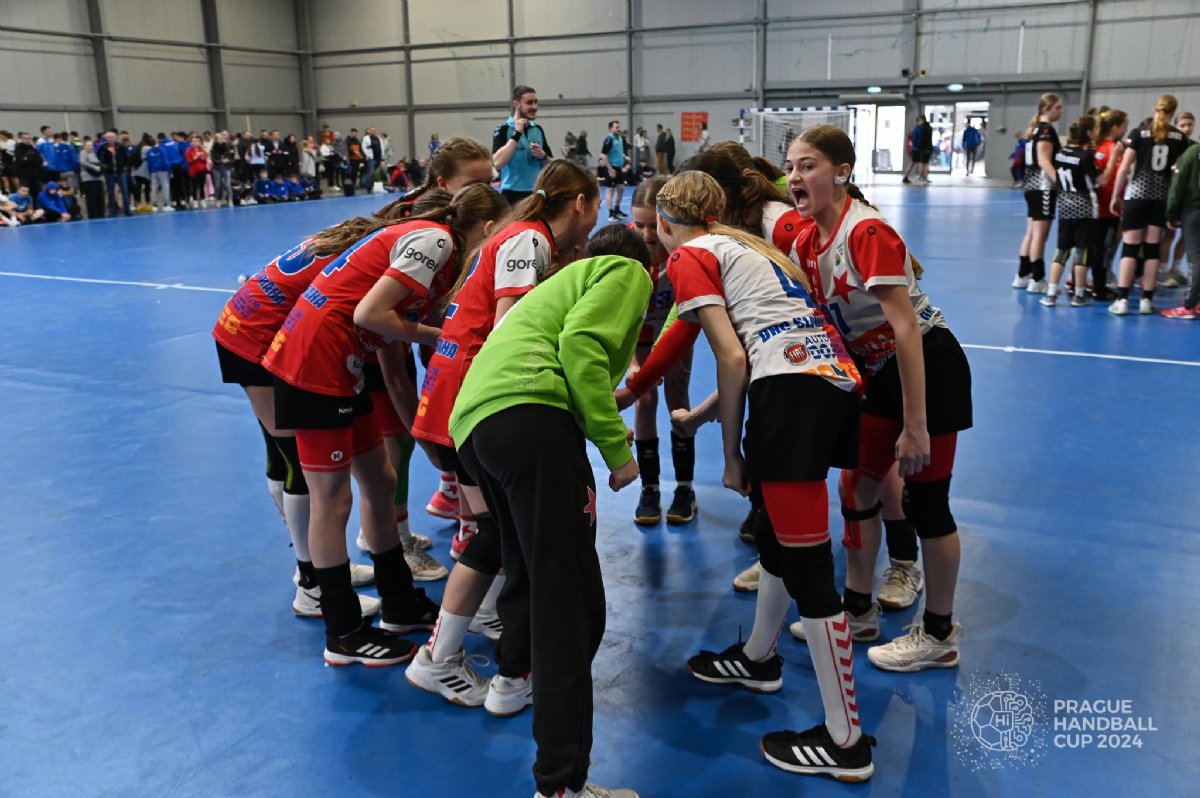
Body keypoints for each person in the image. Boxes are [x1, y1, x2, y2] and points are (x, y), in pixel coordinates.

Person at [658, 170, 874, 781]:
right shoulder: (750, 247)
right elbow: (765, 344)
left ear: (670, 222)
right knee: (781, 538)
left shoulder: (689, 254)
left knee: (809, 568)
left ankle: (845, 740)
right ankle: (758, 657)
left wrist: (730, 455)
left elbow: (732, 356)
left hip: (793, 398)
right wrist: (705, 416)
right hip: (832, 384)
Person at [259, 186, 503, 666]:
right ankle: (343, 632)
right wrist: (435, 335)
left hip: (342, 361)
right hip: (314, 363)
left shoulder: (438, 250)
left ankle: (398, 601)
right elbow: (370, 313)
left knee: (380, 479)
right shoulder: (436, 240)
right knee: (332, 500)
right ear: (489, 228)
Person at [451, 224, 650, 798]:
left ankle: (513, 677)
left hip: (476, 426)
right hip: (530, 418)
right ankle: (561, 784)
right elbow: (582, 347)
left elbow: (562, 351)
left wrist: (593, 416)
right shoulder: (627, 271)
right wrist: (616, 451)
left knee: (526, 567)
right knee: (570, 603)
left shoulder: (560, 283)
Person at [408, 160, 600, 714]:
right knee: (503, 532)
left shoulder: (522, 236)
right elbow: (508, 327)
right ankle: (469, 660)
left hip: (457, 394)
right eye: (594, 208)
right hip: (475, 398)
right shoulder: (528, 239)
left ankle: (457, 642)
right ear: (580, 204)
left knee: (493, 529)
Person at [786, 125, 971, 674]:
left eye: (808, 165)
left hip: (927, 367)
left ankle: (939, 633)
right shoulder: (804, 241)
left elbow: (907, 328)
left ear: (842, 172)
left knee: (926, 501)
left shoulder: (865, 231)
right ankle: (858, 608)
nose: (795, 176)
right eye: (791, 166)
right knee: (857, 482)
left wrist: (915, 426)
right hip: (877, 372)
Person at [625, 177, 697, 525]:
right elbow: (617, 315)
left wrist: (667, 357)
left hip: (674, 330)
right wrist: (632, 363)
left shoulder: (684, 247)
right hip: (635, 334)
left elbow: (689, 310)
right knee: (644, 399)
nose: (647, 234)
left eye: (653, 225)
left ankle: (685, 488)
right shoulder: (624, 247)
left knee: (677, 398)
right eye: (638, 224)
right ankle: (649, 488)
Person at [1108, 95, 1190, 315]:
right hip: (1160, 199)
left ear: (1155, 109)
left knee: (1130, 248)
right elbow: (1180, 171)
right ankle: (1146, 300)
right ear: (1173, 112)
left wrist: (1116, 196)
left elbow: (1124, 168)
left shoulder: (1139, 133)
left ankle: (1122, 300)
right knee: (1152, 249)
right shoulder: (1180, 138)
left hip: (1136, 197)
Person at [1041, 117, 1105, 308]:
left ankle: (1051, 294)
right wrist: (1109, 163)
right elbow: (1099, 180)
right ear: (1088, 133)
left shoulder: (1061, 152)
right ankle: (1079, 295)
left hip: (1066, 207)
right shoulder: (1085, 157)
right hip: (1085, 209)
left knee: (1061, 251)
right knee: (1082, 252)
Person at [1013, 94, 1064, 293]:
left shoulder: (1035, 130)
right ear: (1046, 109)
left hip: (1032, 186)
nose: (1060, 112)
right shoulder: (1046, 131)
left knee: (1031, 233)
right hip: (1043, 188)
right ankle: (1037, 278)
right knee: (1039, 236)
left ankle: (1022, 275)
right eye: (1057, 108)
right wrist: (1062, 182)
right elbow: (1044, 161)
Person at [1161, 135, 1200, 318]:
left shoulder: (1192, 153)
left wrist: (1171, 213)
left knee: (1195, 258)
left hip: (1194, 210)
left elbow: (1178, 184)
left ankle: (1189, 305)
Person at [493, 84, 552, 204]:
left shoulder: (537, 129)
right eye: (529, 103)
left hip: (536, 192)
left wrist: (543, 156)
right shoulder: (503, 129)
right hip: (511, 194)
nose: (534, 107)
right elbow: (497, 163)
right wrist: (517, 134)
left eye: (536, 102)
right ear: (516, 104)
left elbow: (551, 165)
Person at [1093, 109, 1129, 300]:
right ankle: (1099, 288)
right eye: (1124, 127)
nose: (1125, 131)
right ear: (1115, 128)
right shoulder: (1110, 149)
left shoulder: (1100, 146)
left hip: (1103, 207)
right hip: (1107, 208)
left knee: (1098, 247)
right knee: (1102, 248)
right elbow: (1109, 180)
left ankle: (1094, 283)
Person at [601, 120, 630, 221]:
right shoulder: (609, 139)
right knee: (610, 190)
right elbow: (603, 155)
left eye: (619, 127)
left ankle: (617, 209)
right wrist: (610, 169)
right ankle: (611, 213)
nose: (618, 129)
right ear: (610, 128)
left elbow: (618, 151)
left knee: (621, 188)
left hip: (619, 167)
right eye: (616, 127)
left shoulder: (620, 138)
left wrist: (624, 157)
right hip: (611, 167)